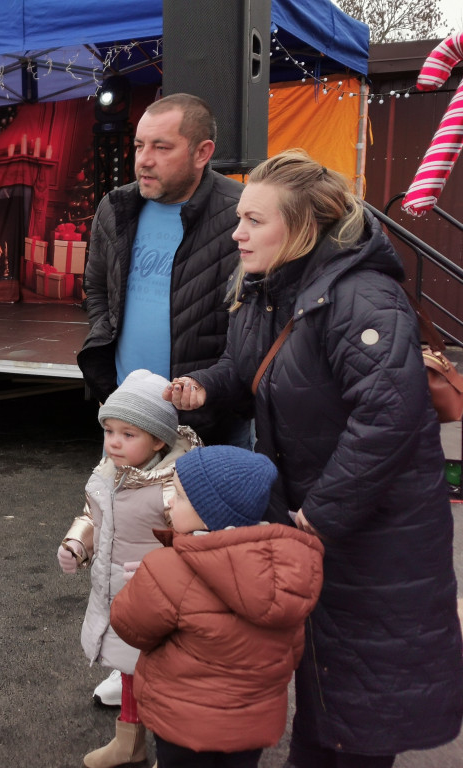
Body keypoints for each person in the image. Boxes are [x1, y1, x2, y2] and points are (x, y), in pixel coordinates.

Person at [166, 149, 463, 766]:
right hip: (318, 525)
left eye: (254, 221)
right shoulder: (264, 290)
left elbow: (388, 418)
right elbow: (244, 368)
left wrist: (318, 516)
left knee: (360, 709)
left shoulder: (362, 298)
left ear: (304, 227)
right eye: (238, 218)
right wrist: (207, 386)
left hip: (376, 536)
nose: (237, 233)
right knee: (327, 692)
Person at [77, 91, 249, 706]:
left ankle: (199, 682)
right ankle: (131, 667)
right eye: (138, 146)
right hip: (134, 420)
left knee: (205, 558)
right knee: (129, 550)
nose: (142, 161)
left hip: (207, 419)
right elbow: (96, 285)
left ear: (203, 152)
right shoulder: (117, 207)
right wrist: (108, 353)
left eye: (161, 147)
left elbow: (251, 316)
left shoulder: (238, 211)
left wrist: (216, 385)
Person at [112, 445, 324, 768]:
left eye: (180, 496)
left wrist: (143, 583)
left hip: (183, 723)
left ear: (211, 511)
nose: (169, 501)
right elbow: (291, 652)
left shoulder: (168, 569)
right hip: (251, 727)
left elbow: (129, 624)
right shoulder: (285, 572)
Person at [57, 369, 200, 768]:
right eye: (109, 431)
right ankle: (129, 741)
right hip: (117, 594)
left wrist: (167, 568)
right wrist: (76, 544)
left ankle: (171, 750)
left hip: (160, 600)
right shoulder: (105, 475)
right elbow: (92, 515)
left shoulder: (175, 487)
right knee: (129, 671)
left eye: (128, 434)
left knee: (163, 675)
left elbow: (197, 540)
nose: (114, 442)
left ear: (158, 439)